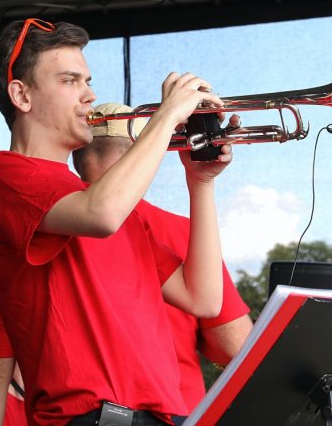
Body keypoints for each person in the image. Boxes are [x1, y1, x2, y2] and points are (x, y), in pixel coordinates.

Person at [0, 18, 233, 426]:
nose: (89, 95)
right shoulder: (3, 173)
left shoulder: (117, 209)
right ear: (21, 94)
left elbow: (203, 300)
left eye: (87, 80)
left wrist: (201, 184)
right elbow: (101, 214)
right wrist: (165, 117)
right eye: (70, 81)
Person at [72, 103, 254, 410]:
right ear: (143, 152)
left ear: (77, 154)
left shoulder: (47, 220)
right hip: (173, 410)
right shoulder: (183, 232)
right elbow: (236, 347)